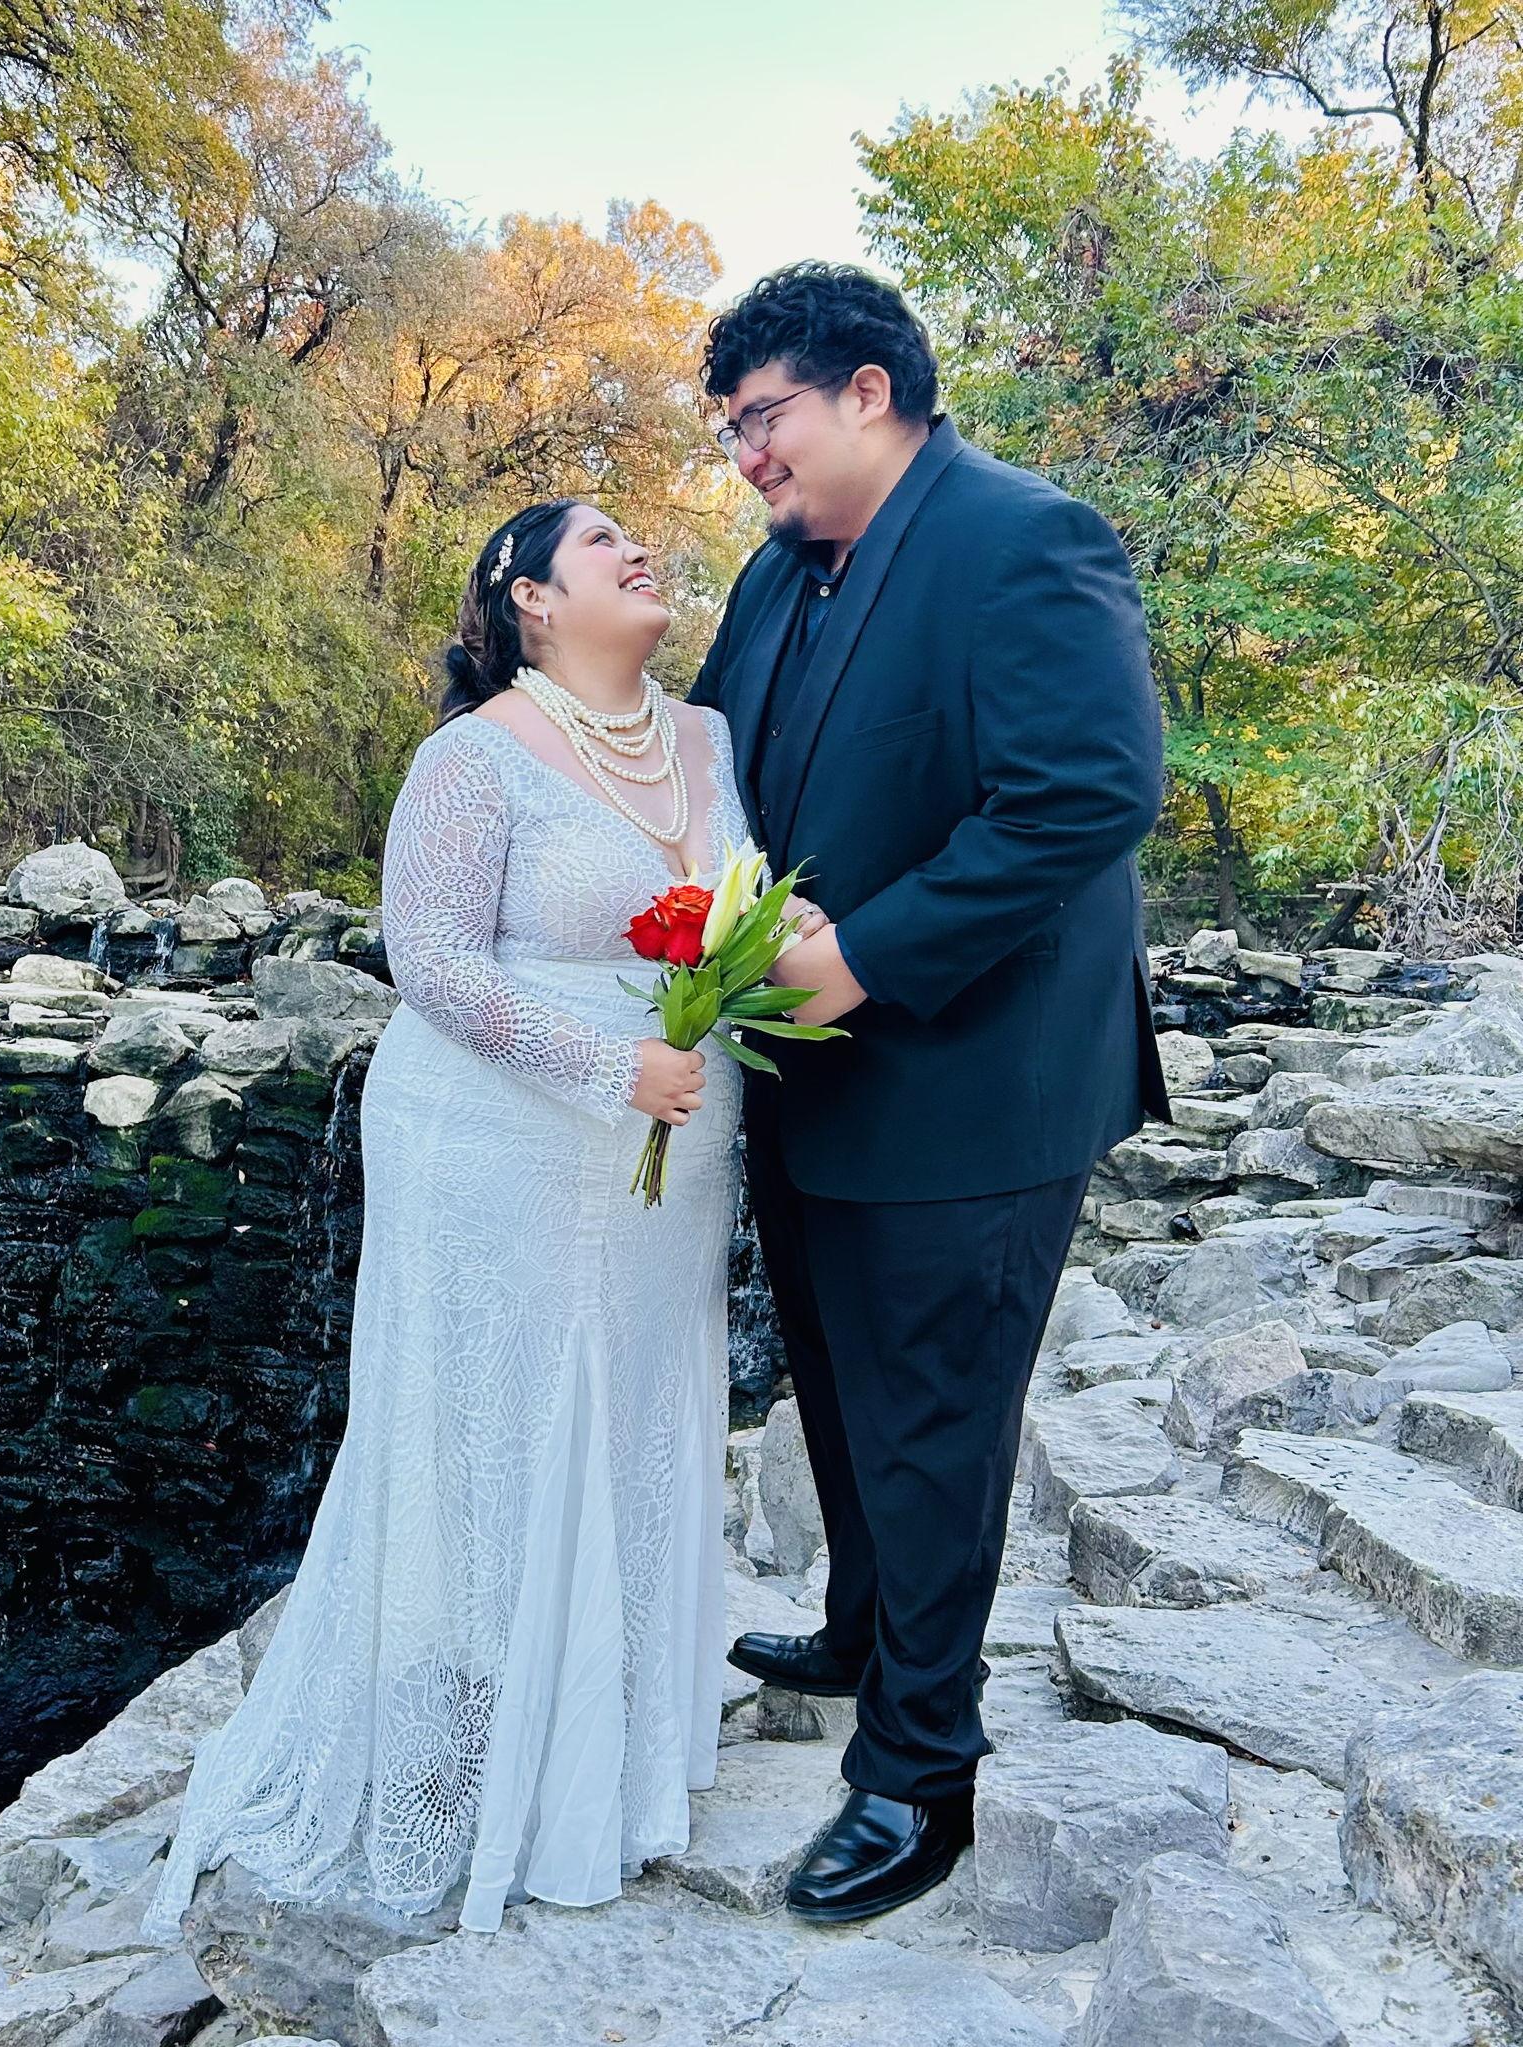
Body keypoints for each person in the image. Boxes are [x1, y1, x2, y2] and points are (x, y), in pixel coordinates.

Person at [147, 498, 749, 1937]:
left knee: (638, 1409)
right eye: (602, 541)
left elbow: (750, 915)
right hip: (506, 1131)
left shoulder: (711, 739)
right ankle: (489, 1741)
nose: (639, 551)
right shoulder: (474, 757)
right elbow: (429, 960)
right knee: (515, 1414)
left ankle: (610, 1753)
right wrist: (613, 1067)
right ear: (529, 596)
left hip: (675, 1145)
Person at [689, 262, 1169, 1924]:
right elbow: (717, 772)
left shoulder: (1026, 539)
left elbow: (1087, 795)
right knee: (836, 1386)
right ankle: (863, 1628)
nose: (745, 455)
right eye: (730, 428)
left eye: (762, 417)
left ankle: (918, 1775)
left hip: (975, 1079)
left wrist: (863, 957)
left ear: (869, 391)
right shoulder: (776, 573)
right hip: (806, 1068)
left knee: (936, 1423)